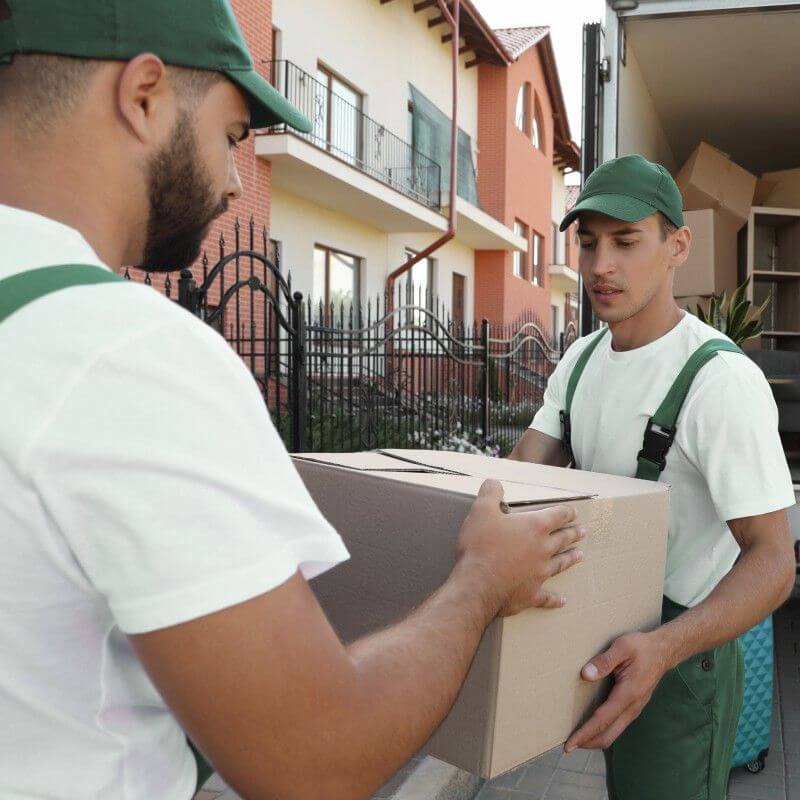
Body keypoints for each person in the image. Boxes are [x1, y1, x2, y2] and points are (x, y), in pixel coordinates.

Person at [0, 2, 586, 799]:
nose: (236, 178)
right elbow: (318, 760)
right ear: (143, 97)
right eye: (233, 134)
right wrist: (483, 580)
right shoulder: (125, 354)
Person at [511, 154, 797, 800]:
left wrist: (664, 650)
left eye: (626, 240)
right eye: (587, 244)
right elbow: (519, 479)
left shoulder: (719, 381)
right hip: (602, 634)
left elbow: (775, 562)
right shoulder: (580, 361)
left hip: (680, 664)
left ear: (677, 246)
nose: (600, 265)